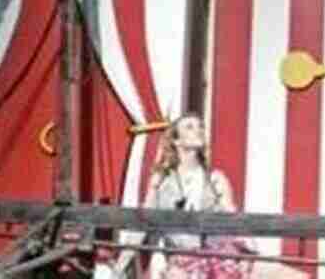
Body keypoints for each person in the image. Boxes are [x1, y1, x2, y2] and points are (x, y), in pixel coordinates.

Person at [113, 114, 302, 279]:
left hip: (218, 254)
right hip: (183, 260)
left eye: (201, 126)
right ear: (176, 141)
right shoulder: (162, 181)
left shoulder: (215, 179)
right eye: (190, 127)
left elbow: (234, 219)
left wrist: (249, 252)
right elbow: (143, 223)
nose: (199, 130)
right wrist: (120, 265)